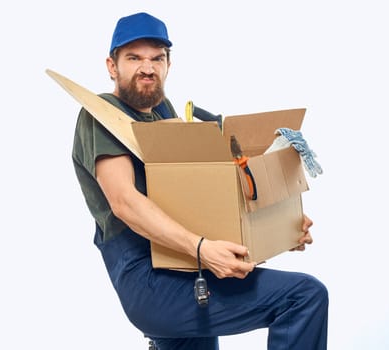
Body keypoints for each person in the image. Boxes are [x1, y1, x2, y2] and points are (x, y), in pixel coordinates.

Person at [71, 12, 328, 350]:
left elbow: (212, 192)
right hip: (151, 280)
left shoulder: (164, 113)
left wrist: (280, 226)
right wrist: (202, 249)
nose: (147, 67)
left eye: (156, 58)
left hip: (186, 267)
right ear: (112, 66)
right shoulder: (102, 115)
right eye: (134, 57)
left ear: (168, 65)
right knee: (303, 297)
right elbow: (124, 202)